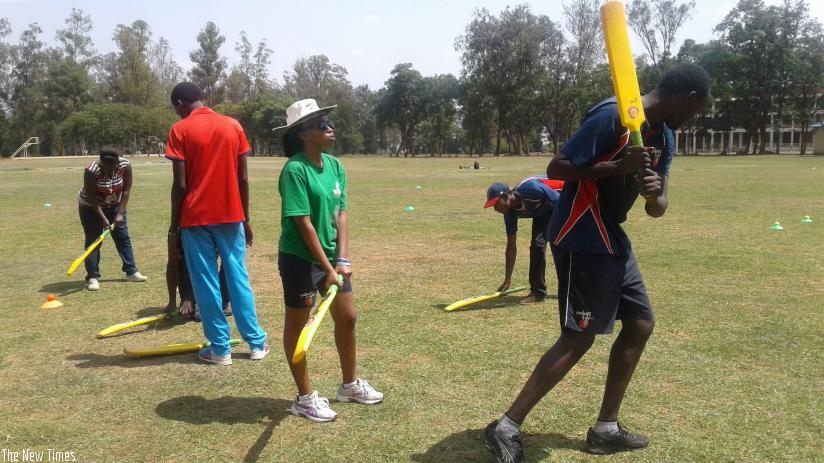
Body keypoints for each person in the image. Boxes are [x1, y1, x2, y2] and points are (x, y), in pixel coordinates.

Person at [483, 63, 711, 461]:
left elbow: (657, 208)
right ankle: (505, 427)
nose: (694, 118)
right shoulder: (613, 115)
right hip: (582, 234)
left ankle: (606, 428)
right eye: (697, 110)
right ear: (688, 99)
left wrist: (654, 191)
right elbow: (557, 168)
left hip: (613, 237)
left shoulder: (664, 136)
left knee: (640, 323)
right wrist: (616, 167)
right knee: (580, 335)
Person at [275, 98, 383, 422]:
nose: (329, 127)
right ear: (303, 134)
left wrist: (342, 259)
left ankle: (349, 385)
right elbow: (304, 224)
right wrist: (326, 268)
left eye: (328, 122)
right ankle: (305, 397)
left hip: (332, 259)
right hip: (300, 259)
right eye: (322, 124)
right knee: (298, 327)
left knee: (347, 317)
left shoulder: (335, 166)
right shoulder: (295, 170)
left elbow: (342, 215)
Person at [165, 82, 268, 365]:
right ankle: (257, 343)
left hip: (195, 218)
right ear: (202, 99)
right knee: (238, 277)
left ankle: (220, 349)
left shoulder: (180, 130)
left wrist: (175, 227)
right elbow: (243, 178)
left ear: (178, 104)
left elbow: (180, 184)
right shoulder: (233, 125)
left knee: (206, 282)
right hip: (231, 215)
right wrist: (245, 218)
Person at [77, 145, 148, 291]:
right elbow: (91, 198)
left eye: (113, 168)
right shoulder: (92, 170)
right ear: (101, 163)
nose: (111, 171)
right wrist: (103, 219)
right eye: (107, 168)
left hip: (115, 205)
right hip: (90, 208)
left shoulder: (124, 165)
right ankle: (92, 277)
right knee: (94, 241)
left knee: (123, 237)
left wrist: (120, 213)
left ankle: (131, 271)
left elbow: (126, 191)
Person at [484, 177, 563, 304]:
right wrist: (507, 280)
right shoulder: (509, 213)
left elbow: (562, 202)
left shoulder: (531, 189)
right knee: (537, 245)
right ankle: (538, 293)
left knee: (562, 245)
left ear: (505, 197)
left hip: (561, 199)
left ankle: (573, 288)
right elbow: (511, 246)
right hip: (543, 212)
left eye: (496, 204)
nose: (495, 209)